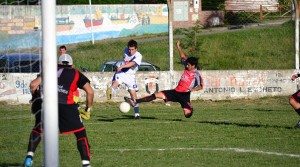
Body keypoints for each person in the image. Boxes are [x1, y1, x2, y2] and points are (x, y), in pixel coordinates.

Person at [23, 54, 94, 167]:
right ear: (72, 64)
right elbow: (90, 92)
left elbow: (33, 84)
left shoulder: (51, 70)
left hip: (47, 104)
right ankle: (86, 164)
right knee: (80, 133)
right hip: (67, 107)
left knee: (38, 128)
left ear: (57, 64)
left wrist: (34, 98)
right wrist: (88, 108)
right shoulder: (76, 73)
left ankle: (29, 157)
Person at [125, 40, 203, 118]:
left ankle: (190, 108)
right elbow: (183, 57)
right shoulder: (187, 66)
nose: (186, 66)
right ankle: (135, 101)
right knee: (156, 95)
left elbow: (201, 86)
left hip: (184, 95)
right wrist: (178, 46)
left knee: (187, 114)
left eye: (188, 65)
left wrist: (193, 89)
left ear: (193, 66)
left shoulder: (196, 75)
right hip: (175, 92)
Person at [106, 39, 142, 119]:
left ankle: (137, 115)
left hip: (131, 76)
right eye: (129, 49)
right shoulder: (126, 50)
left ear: (136, 48)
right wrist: (121, 67)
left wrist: (122, 66)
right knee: (116, 82)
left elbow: (132, 63)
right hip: (122, 72)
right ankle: (110, 91)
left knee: (134, 95)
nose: (130, 51)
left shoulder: (138, 56)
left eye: (132, 49)